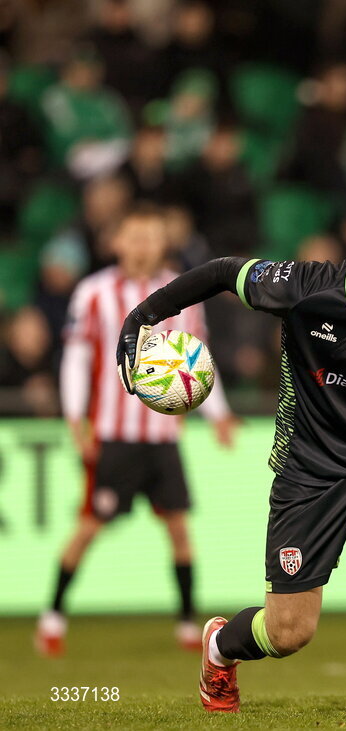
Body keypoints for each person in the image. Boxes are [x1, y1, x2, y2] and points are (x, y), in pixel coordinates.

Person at [115, 190, 346, 720]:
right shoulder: (306, 289)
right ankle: (219, 648)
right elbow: (224, 272)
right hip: (310, 464)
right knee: (289, 631)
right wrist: (143, 317)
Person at [36, 203, 236, 657]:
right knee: (88, 525)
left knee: (180, 530)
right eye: (135, 236)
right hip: (114, 434)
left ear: (164, 242)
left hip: (163, 437)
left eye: (152, 236)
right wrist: (75, 418)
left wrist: (217, 413)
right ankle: (52, 615)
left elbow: (196, 361)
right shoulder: (94, 292)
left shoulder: (183, 293)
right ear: (117, 241)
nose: (144, 244)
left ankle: (188, 624)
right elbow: (77, 358)